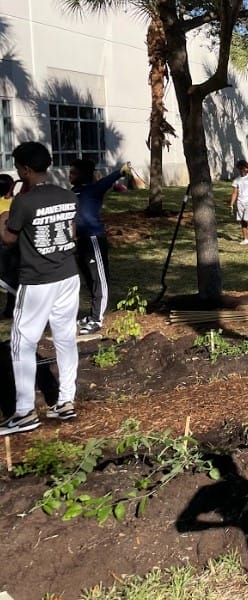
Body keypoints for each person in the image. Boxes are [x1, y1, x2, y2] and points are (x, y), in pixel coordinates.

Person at [0, 142, 81, 435]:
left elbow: (9, 239)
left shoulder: (24, 202)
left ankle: (23, 413)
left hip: (37, 280)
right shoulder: (67, 195)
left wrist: (2, 220)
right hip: (68, 275)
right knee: (65, 338)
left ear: (25, 169)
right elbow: (71, 232)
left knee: (22, 341)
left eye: (19, 167)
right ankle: (66, 401)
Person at [69, 158, 131, 334]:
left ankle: (97, 320)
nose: (69, 175)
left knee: (99, 279)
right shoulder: (73, 192)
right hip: (79, 241)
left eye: (73, 172)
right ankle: (91, 315)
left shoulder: (93, 190)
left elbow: (107, 180)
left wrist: (121, 171)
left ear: (82, 175)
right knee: (88, 278)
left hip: (93, 239)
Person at [0, 174, 19, 318]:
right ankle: (10, 308)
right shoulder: (16, 202)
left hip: (4, 246)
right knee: (13, 279)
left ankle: (9, 309)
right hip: (15, 244)